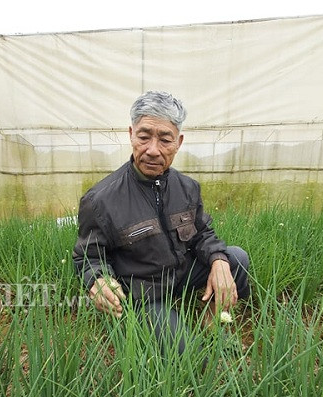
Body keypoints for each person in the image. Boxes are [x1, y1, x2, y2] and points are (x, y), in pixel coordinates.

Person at [72, 90, 250, 353]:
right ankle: (163, 323)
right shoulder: (100, 200)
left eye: (165, 139)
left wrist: (218, 260)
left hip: (180, 275)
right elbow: (87, 256)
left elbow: (203, 234)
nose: (153, 150)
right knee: (185, 355)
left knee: (236, 258)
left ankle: (212, 325)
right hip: (143, 291)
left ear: (178, 142)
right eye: (144, 137)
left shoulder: (187, 187)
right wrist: (96, 280)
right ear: (130, 134)